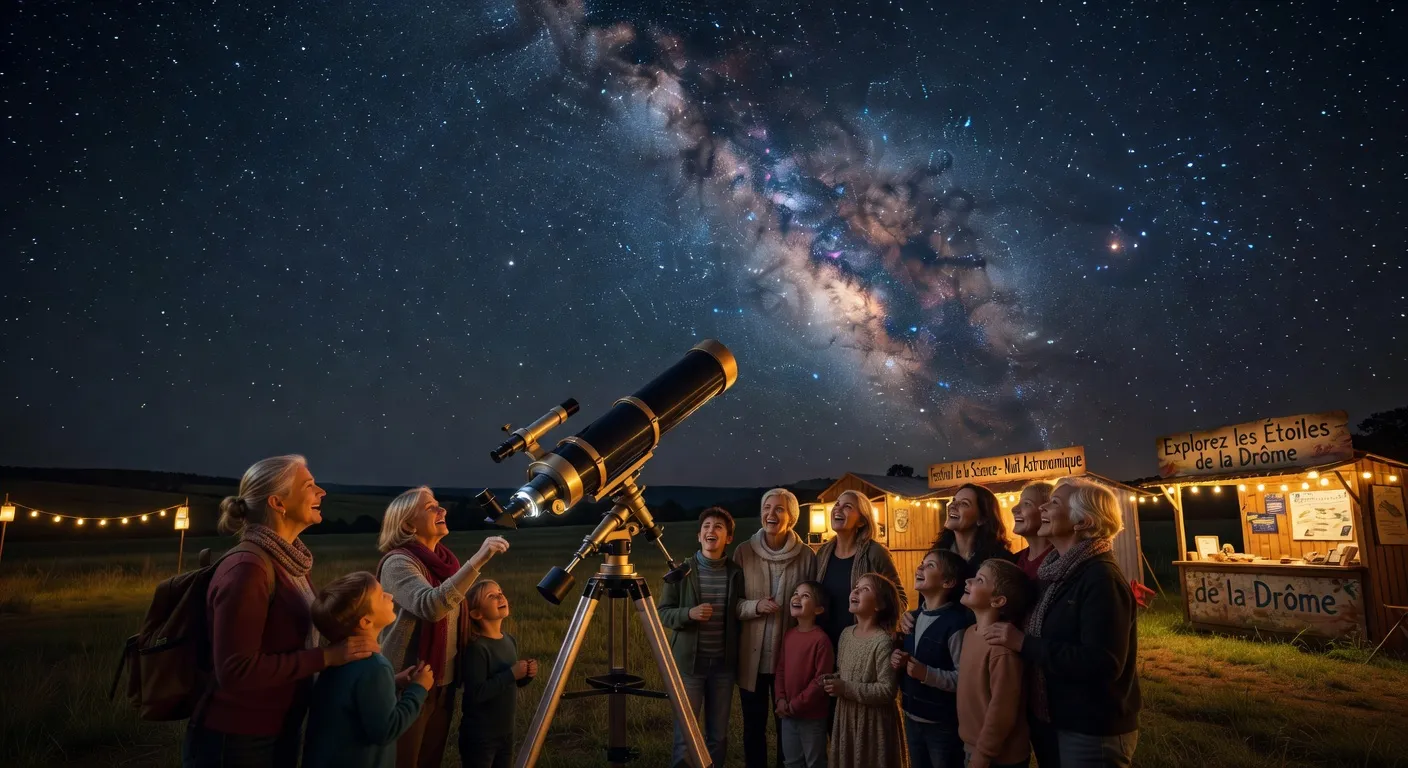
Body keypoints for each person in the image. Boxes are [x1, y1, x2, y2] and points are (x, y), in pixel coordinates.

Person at [184, 455, 373, 768]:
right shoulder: (248, 569)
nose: (322, 492)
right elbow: (235, 670)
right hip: (238, 739)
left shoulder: (289, 561)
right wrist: (328, 657)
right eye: (309, 485)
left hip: (276, 728)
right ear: (278, 503)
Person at [984, 478, 1141, 768]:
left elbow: (1102, 662)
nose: (1044, 506)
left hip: (1091, 727)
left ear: (1083, 521)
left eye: (1054, 503)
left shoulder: (1100, 578)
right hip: (1053, 719)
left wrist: (1022, 643)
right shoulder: (1056, 571)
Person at [376, 486, 511, 768]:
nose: (443, 510)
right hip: (409, 678)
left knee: (429, 760)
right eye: (430, 507)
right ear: (408, 524)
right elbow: (432, 606)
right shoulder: (398, 563)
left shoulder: (446, 563)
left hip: (444, 682)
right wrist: (479, 560)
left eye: (439, 504)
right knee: (404, 760)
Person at [303, 572, 434, 768]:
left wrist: (393, 682)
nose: (390, 596)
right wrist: (418, 689)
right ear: (365, 621)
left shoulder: (338, 660)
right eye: (382, 595)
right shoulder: (375, 668)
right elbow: (386, 729)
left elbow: (354, 698)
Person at [736, 488, 818, 768]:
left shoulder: (806, 556)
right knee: (753, 727)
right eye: (767, 507)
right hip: (751, 658)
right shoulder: (744, 552)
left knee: (788, 727)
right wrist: (755, 607)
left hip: (790, 659)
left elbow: (813, 604)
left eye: (779, 509)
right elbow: (731, 604)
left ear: (792, 518)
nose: (771, 514)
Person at [658, 507, 745, 768]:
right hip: (689, 667)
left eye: (719, 527)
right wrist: (689, 613)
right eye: (707, 526)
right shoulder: (681, 571)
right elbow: (662, 613)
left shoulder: (736, 573)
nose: (711, 531)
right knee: (685, 735)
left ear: (728, 538)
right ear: (699, 536)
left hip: (723, 667)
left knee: (717, 737)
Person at [891, 549, 971, 768]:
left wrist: (927, 674)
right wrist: (898, 659)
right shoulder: (912, 619)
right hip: (911, 715)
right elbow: (912, 658)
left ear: (948, 582)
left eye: (930, 566)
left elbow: (962, 678)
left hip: (941, 723)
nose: (920, 567)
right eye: (922, 563)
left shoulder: (955, 625)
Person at [822, 573, 905, 768]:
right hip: (847, 718)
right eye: (856, 586)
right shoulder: (845, 634)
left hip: (872, 724)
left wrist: (845, 688)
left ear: (879, 605)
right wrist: (832, 679)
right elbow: (844, 673)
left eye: (865, 589)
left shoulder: (882, 641)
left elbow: (887, 691)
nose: (856, 590)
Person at [957, 559, 1033, 768]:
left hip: (999, 757)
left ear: (998, 601)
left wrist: (983, 754)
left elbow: (1003, 709)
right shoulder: (969, 635)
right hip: (972, 747)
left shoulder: (1001, 648)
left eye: (979, 580)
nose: (968, 581)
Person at [458, 580, 538, 768]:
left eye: (500, 592)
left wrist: (526, 675)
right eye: (491, 596)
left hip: (506, 732)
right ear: (476, 613)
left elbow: (512, 683)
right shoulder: (477, 648)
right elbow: (475, 694)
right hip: (480, 737)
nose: (500, 596)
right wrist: (511, 674)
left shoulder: (509, 640)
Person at [815, 491, 906, 651]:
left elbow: (900, 600)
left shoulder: (875, 553)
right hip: (826, 643)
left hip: (863, 645)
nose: (838, 509)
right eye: (837, 504)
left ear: (862, 521)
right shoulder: (823, 553)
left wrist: (878, 634)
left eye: (847, 506)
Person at [774, 581, 834, 768]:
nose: (797, 597)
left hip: (812, 717)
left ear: (818, 610)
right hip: (788, 715)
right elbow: (781, 669)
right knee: (791, 762)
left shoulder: (821, 640)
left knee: (815, 762)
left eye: (805, 595)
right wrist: (780, 700)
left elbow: (820, 681)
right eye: (795, 593)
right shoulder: (789, 635)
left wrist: (796, 705)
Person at [932, 484, 1015, 581]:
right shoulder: (936, 555)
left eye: (964, 503)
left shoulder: (1000, 561)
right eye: (954, 500)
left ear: (982, 519)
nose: (952, 506)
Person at [1011, 481, 1055, 583]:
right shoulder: (1013, 560)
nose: (1014, 509)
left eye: (1027, 504)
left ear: (1046, 511)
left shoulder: (1061, 561)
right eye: (1019, 502)